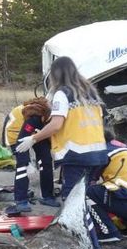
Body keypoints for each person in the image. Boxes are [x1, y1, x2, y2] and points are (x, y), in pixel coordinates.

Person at [16, 56, 107, 199]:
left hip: (77, 154)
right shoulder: (91, 93)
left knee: (71, 197)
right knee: (85, 195)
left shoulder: (63, 94)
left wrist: (34, 139)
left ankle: (72, 222)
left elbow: (56, 125)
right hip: (98, 154)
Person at [3, 97, 59, 215]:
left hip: (35, 133)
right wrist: (27, 163)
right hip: (17, 133)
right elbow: (22, 139)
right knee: (22, 166)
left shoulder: (56, 117)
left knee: (46, 160)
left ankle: (47, 196)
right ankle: (21, 200)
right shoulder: (36, 115)